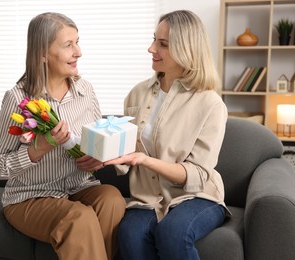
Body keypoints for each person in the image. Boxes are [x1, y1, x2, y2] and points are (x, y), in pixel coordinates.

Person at [0, 12, 126, 260]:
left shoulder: (85, 90)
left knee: (112, 199)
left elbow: (99, 142)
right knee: (78, 217)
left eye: (78, 42)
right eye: (68, 45)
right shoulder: (18, 99)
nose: (79, 52)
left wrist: (98, 159)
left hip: (80, 186)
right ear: (42, 53)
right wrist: (38, 148)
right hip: (29, 197)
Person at [104, 10, 229, 260]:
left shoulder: (211, 104)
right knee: (129, 233)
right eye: (154, 40)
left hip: (197, 196)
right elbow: (126, 151)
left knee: (173, 232)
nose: (151, 49)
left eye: (162, 44)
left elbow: (197, 174)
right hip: (147, 197)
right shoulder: (137, 94)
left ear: (186, 49)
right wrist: (105, 151)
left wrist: (145, 160)